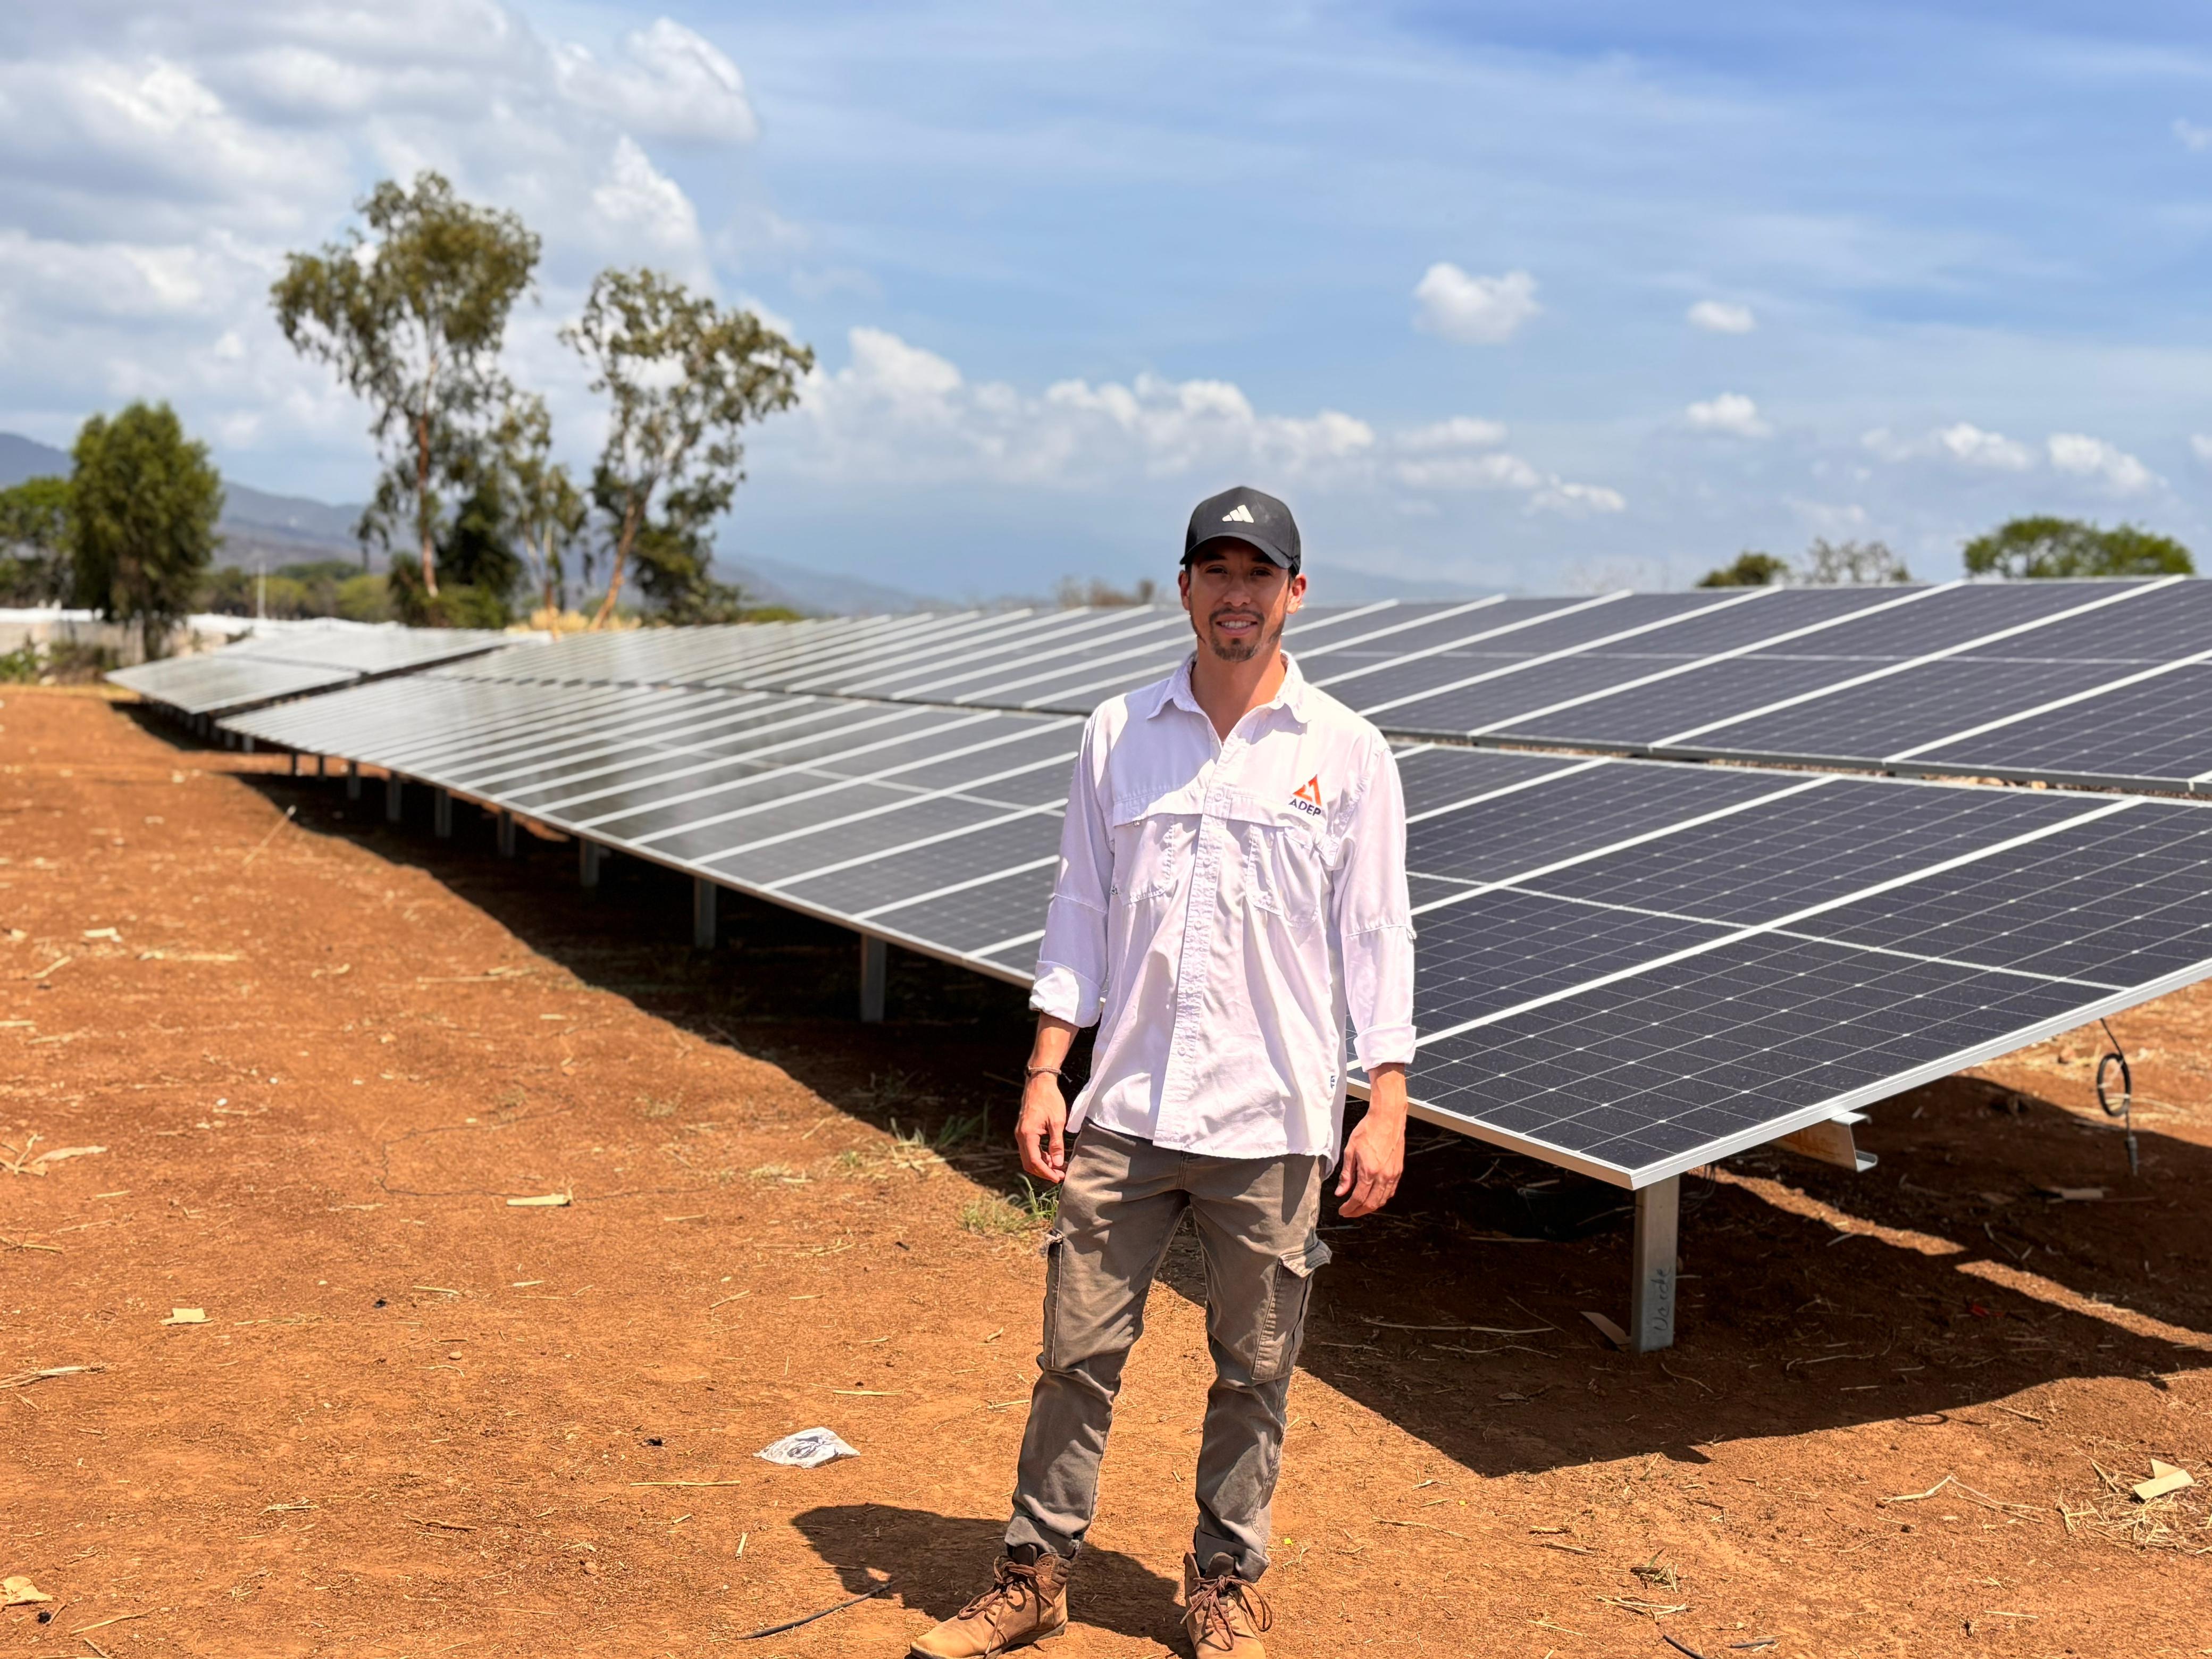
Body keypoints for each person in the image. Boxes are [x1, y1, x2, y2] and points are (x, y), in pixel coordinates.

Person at [910, 486, 1415, 1659]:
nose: (1235, 597)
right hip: (1126, 1107)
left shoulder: (1347, 753)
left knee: (1254, 1369)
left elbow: (1377, 936)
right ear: (1183, 587)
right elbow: (1077, 909)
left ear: (1294, 594)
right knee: (1074, 1354)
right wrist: (1047, 1065)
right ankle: (1033, 1573)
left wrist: (1383, 1101)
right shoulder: (1116, 733)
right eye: (1215, 572)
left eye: (1259, 576)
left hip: (1276, 1116)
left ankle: (1226, 1582)